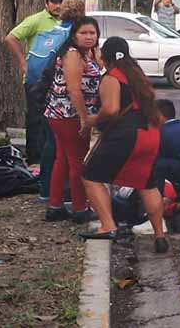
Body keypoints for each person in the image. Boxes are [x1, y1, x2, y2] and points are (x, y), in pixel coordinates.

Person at [81, 38, 167, 251]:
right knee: (147, 184)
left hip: (127, 135)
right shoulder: (138, 75)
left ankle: (108, 226)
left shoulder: (112, 77)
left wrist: (92, 119)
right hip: (151, 133)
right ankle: (159, 235)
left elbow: (110, 109)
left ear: (105, 56)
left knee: (90, 175)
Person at [43, 17, 102, 223]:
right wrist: (85, 119)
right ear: (74, 35)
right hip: (69, 115)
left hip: (60, 114)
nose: (88, 37)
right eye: (83, 33)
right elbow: (74, 90)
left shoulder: (87, 53)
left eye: (92, 33)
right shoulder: (73, 54)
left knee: (63, 160)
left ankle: (56, 205)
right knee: (78, 162)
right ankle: (79, 208)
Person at [31, 0, 86, 202]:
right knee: (66, 151)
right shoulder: (72, 39)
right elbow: (74, 86)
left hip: (43, 94)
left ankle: (46, 190)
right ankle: (69, 196)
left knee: (50, 145)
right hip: (64, 103)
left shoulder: (51, 31)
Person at [7, 0, 65, 164]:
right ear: (46, 3)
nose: (57, 5)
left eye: (60, 1)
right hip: (36, 79)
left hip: (58, 80)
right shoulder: (36, 20)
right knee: (35, 119)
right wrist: (23, 63)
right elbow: (11, 38)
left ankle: (52, 158)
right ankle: (34, 160)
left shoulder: (66, 22)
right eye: (54, 2)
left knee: (55, 120)